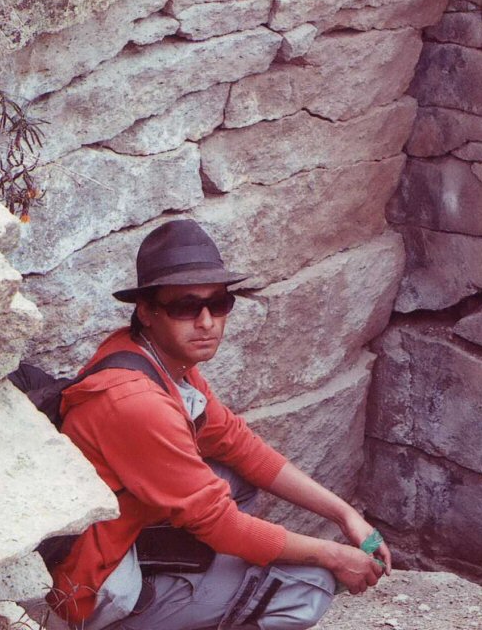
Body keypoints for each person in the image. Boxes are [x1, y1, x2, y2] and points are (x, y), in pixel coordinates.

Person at [46, 219, 390, 630]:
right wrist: (332, 556)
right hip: (95, 591)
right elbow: (220, 525)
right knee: (309, 583)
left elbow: (239, 445)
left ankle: (205, 596)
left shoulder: (161, 362)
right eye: (185, 307)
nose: (207, 321)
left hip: (124, 535)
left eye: (219, 303)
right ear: (147, 312)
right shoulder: (135, 401)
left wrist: (343, 514)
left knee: (231, 477)